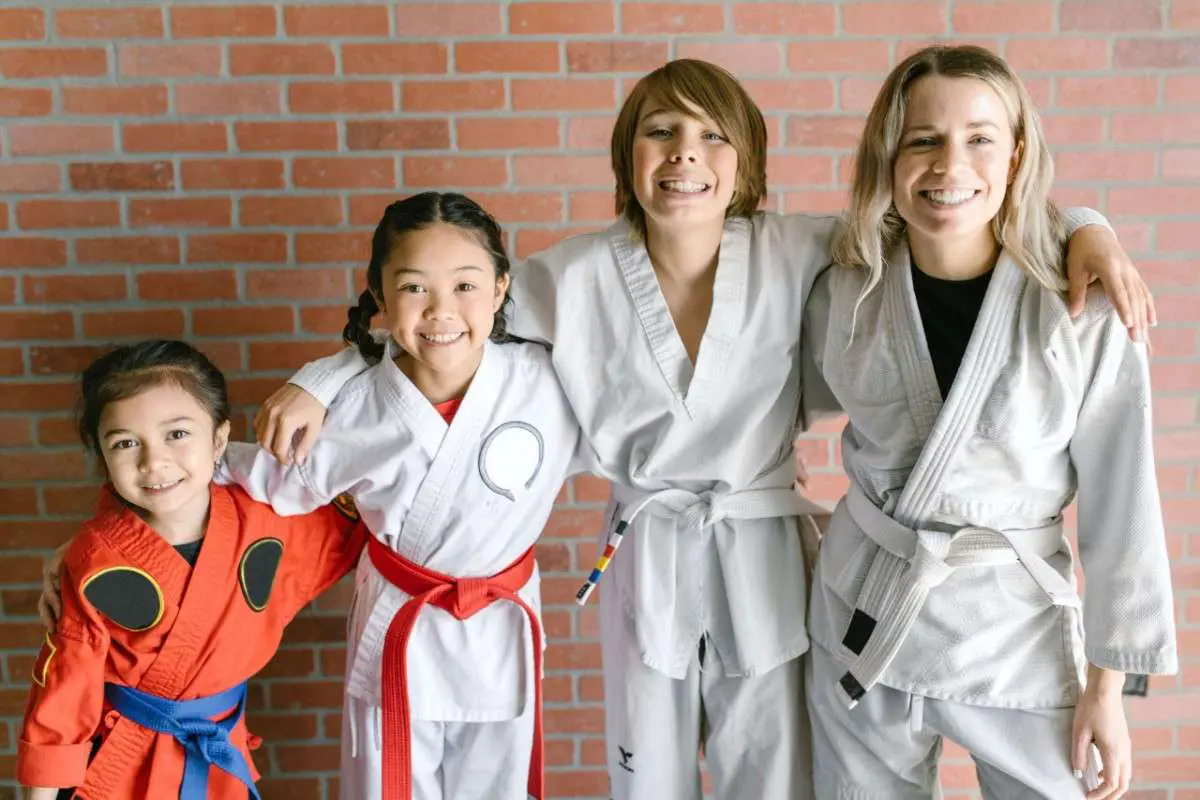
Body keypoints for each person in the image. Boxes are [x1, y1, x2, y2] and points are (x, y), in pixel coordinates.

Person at [208, 61, 1154, 800]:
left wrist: (1084, 226)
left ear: (746, 161)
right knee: (645, 772)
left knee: (770, 768)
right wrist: (322, 375)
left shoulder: (799, 250)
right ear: (626, 154)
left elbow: (947, 220)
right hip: (649, 549)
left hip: (765, 551)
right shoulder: (568, 276)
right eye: (660, 132)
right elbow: (443, 311)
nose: (684, 155)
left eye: (710, 135)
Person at [803, 45, 1177, 800]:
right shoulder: (841, 285)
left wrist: (1106, 689)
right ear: (889, 156)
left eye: (979, 138)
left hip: (1013, 625)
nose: (951, 165)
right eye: (923, 140)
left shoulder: (1083, 308)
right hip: (865, 611)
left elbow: (1123, 502)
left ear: (1016, 155)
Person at [215, 192, 583, 800]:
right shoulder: (352, 409)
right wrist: (186, 462)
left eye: (465, 285)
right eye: (415, 288)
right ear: (381, 298)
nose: (441, 311)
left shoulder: (547, 381)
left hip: (501, 634)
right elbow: (272, 480)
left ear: (499, 289)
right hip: (400, 635)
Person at [19, 340, 365, 800]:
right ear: (102, 457)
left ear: (220, 438)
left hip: (220, 755)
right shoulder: (94, 559)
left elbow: (366, 510)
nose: (153, 462)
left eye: (177, 434)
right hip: (119, 768)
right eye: (125, 443)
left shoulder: (264, 522)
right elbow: (63, 689)